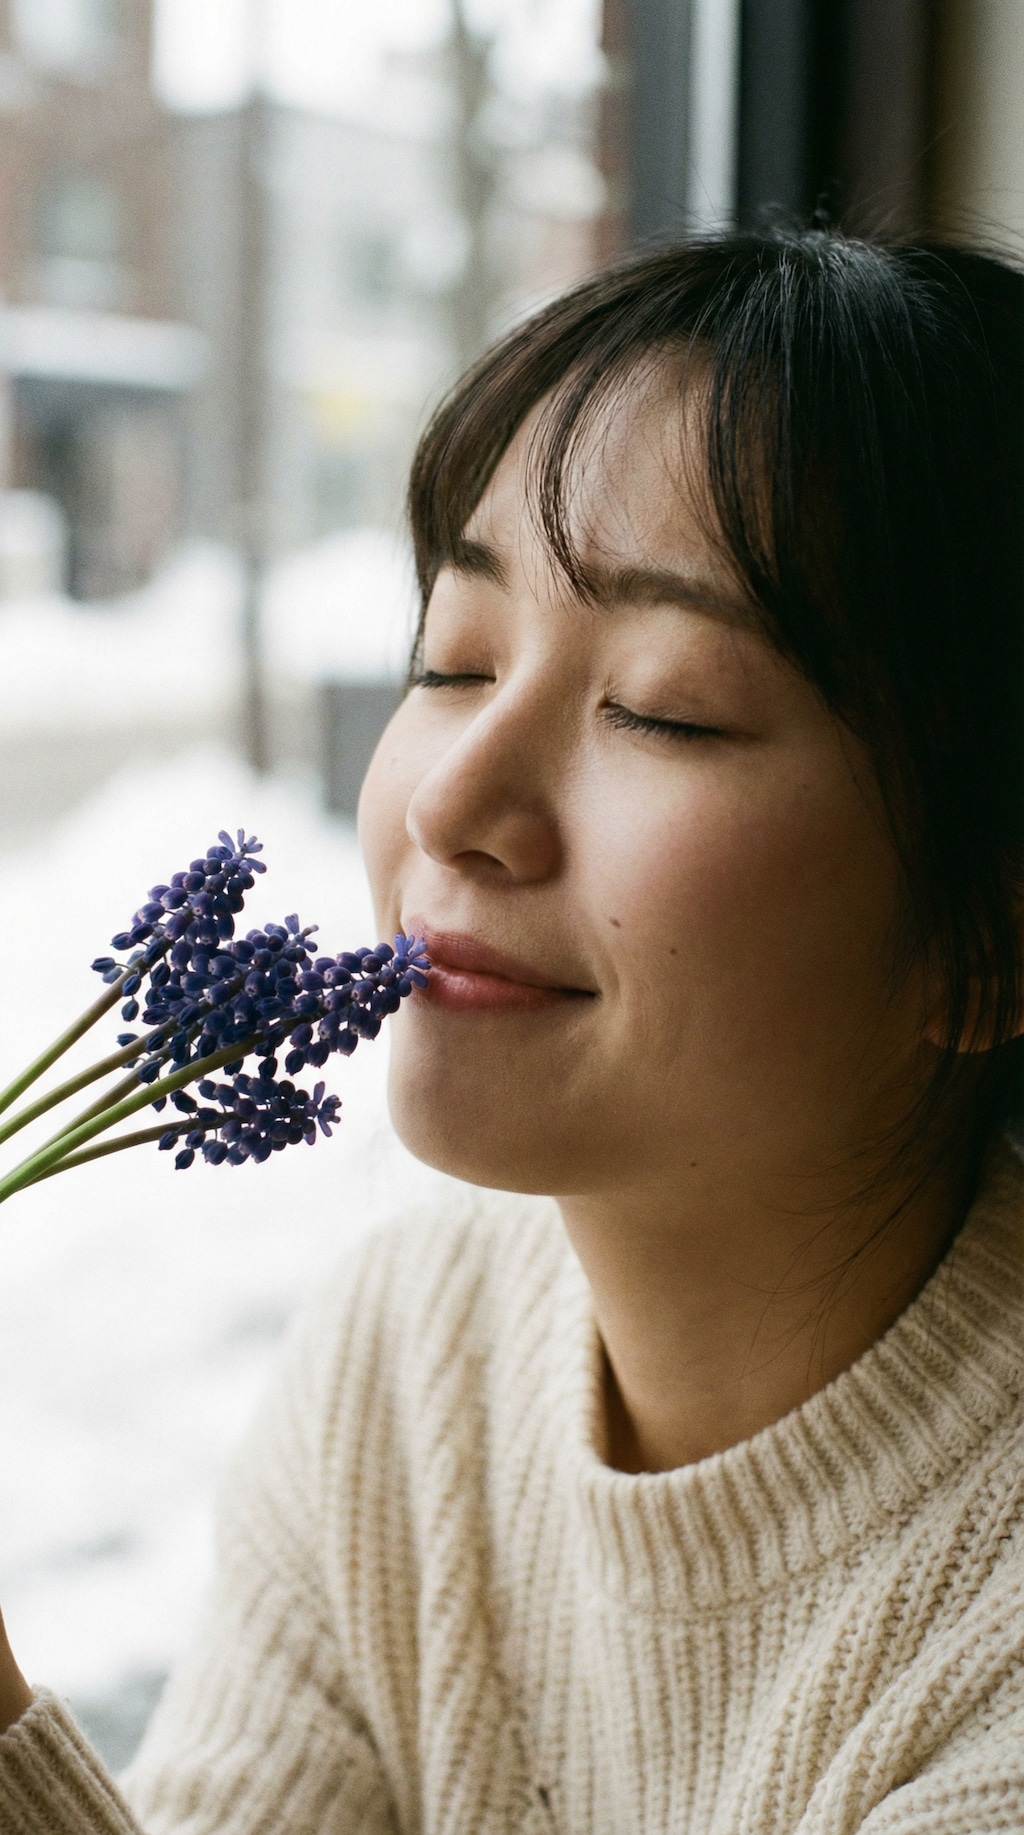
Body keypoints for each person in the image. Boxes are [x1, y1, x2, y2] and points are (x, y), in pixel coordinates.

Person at [1, 225, 1022, 1833]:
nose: (457, 801)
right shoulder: (414, 1358)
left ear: (993, 941)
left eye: (664, 707)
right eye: (454, 662)